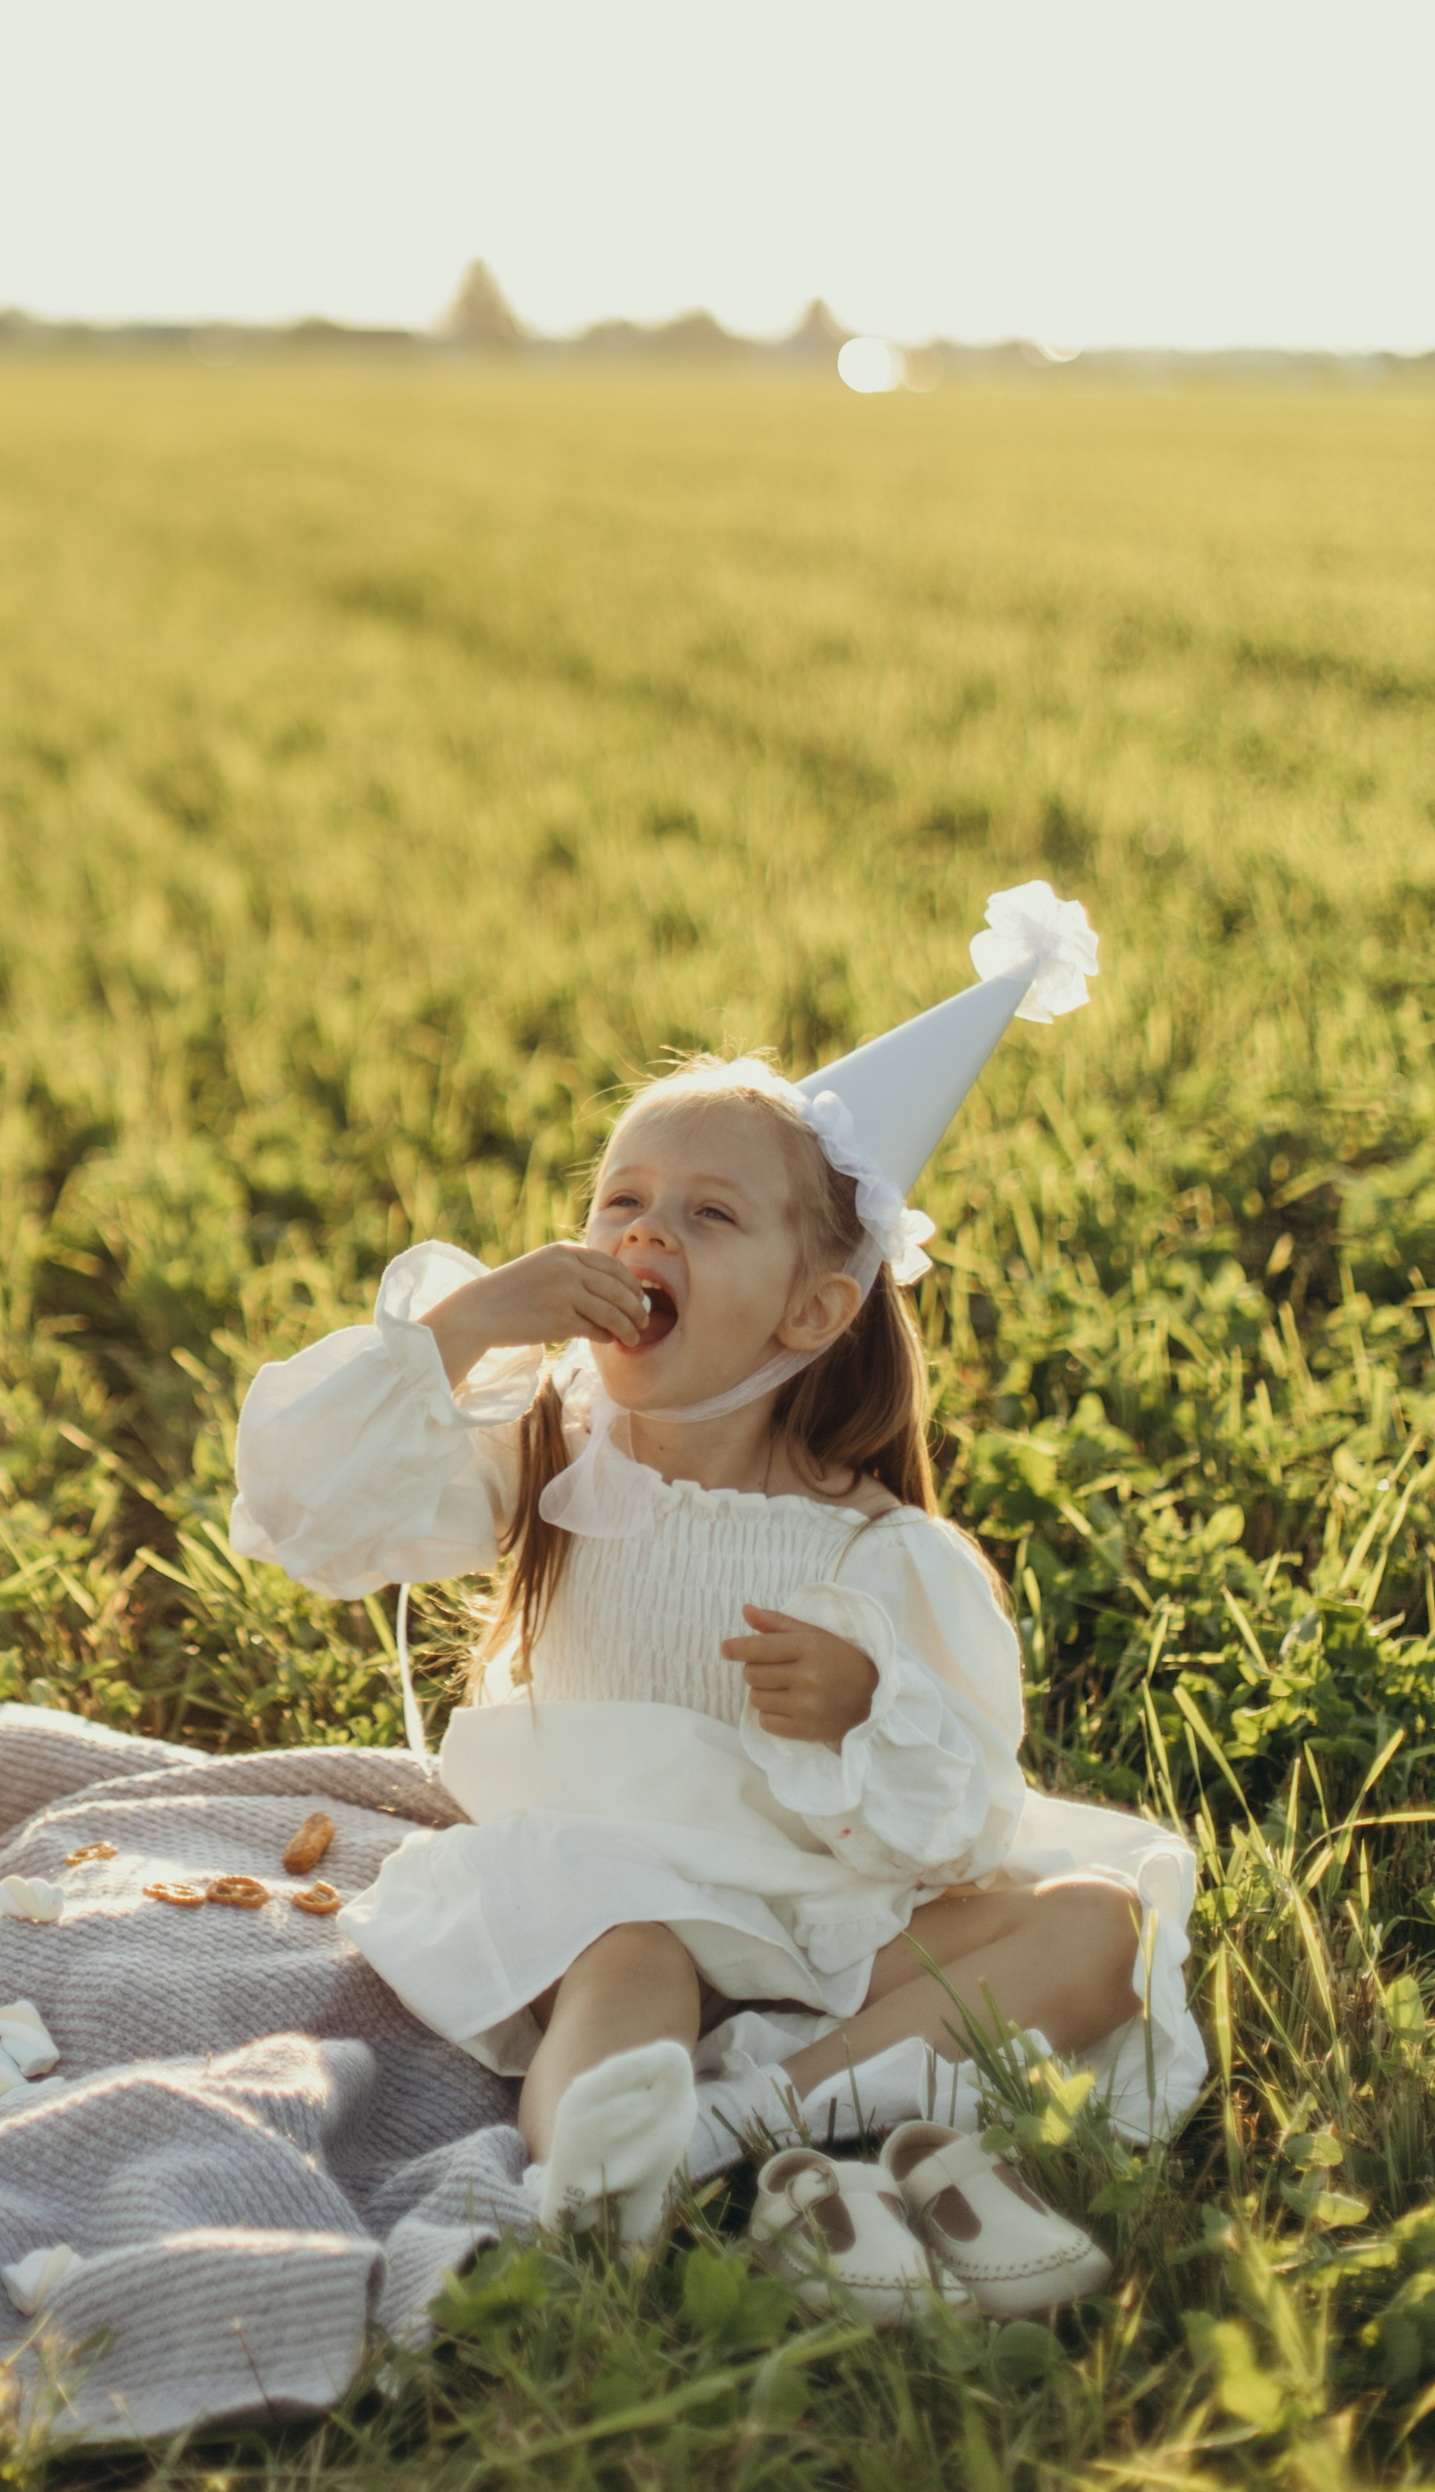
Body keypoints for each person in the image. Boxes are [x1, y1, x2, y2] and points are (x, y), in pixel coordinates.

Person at [229, 886, 1203, 2240]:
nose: (646, 1232)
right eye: (621, 1198)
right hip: (608, 1890)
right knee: (635, 1958)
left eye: (708, 1215)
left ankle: (748, 2118)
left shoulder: (883, 1551)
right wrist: (466, 1326)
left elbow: (968, 1817)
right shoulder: (551, 1451)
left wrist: (872, 1708)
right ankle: (603, 2173)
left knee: (1102, 1926)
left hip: (818, 1922)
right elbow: (302, 1506)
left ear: (815, 1309)